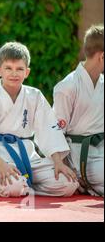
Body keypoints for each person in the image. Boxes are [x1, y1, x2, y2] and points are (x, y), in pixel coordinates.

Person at [0, 42, 79, 197]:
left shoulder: (35, 96)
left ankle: (27, 186)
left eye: (19, 69)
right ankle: (20, 185)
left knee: (68, 184)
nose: (14, 74)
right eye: (8, 68)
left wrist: (58, 162)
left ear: (27, 72)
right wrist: (1, 164)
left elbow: (48, 129)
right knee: (14, 188)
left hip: (28, 156)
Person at [53, 25, 104, 197]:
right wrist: (62, 165)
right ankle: (85, 184)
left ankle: (92, 187)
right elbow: (55, 132)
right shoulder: (68, 87)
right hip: (82, 157)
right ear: (102, 56)